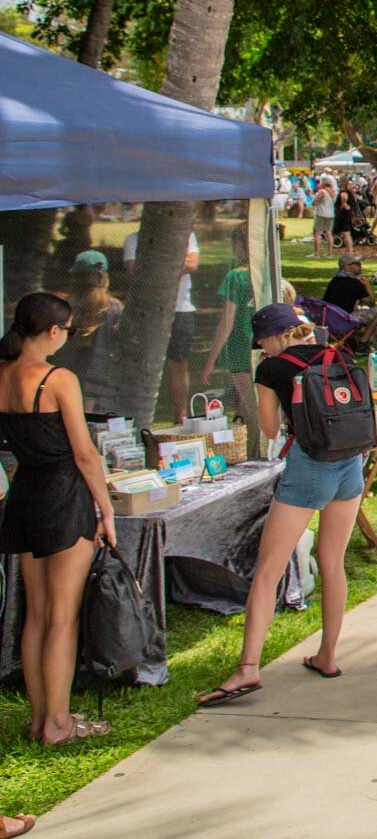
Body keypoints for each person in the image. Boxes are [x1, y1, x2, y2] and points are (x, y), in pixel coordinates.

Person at [198, 303, 374, 707]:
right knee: (332, 562)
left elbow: (270, 427)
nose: (262, 347)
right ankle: (327, 655)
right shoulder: (338, 355)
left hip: (308, 465)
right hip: (349, 462)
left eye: (261, 341)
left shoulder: (272, 369)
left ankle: (247, 669)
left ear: (272, 337)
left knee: (268, 571)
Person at [0, 293, 118, 746]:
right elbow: (85, 454)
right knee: (62, 619)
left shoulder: (5, 372)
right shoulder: (57, 378)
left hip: (26, 491)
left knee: (38, 615)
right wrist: (105, 509)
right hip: (63, 494)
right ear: (53, 331)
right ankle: (57, 724)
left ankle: (39, 719)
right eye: (67, 330)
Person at [123, 228, 201, 409]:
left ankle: (180, 415)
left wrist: (152, 262)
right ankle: (138, 413)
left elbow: (191, 264)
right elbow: (134, 269)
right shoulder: (133, 239)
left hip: (180, 310)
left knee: (178, 363)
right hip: (148, 311)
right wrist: (174, 262)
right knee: (143, 363)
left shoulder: (186, 235)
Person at [199, 229, 260, 445]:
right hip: (262, 347)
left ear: (239, 246)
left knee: (251, 407)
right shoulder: (262, 274)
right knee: (249, 404)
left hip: (240, 350)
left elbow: (226, 323)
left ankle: (255, 449)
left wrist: (209, 362)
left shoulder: (235, 276)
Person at [55, 251, 124, 414]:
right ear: (103, 277)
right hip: (105, 389)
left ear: (75, 277)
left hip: (69, 384)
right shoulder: (115, 308)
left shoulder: (65, 307)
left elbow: (63, 344)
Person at [311, 175, 337, 257]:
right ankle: (329, 253)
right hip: (330, 214)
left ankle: (316, 253)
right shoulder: (333, 192)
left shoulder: (322, 192)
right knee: (329, 233)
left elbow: (314, 202)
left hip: (321, 213)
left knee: (317, 233)